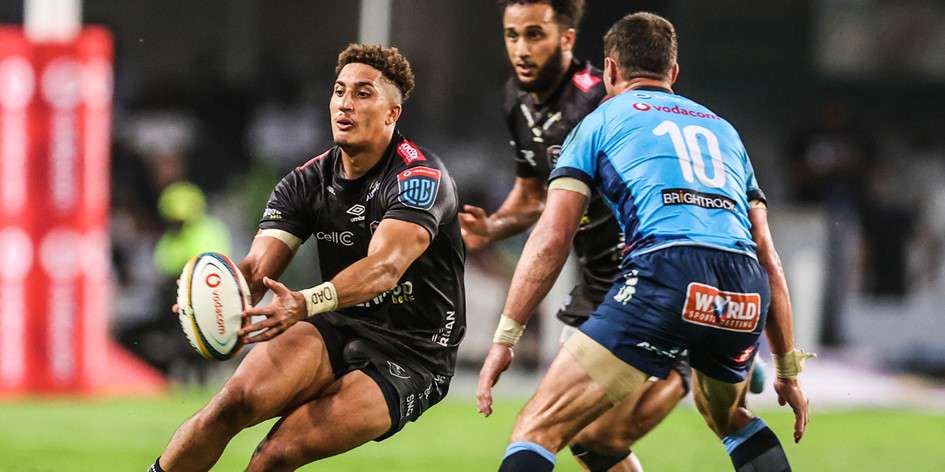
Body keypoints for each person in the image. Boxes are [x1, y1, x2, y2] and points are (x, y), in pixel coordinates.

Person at [478, 12, 812, 472]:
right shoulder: (725, 131)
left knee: (537, 427)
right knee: (729, 417)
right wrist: (788, 369)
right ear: (673, 72)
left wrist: (506, 337)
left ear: (610, 69)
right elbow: (767, 256)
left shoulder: (598, 122)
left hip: (665, 274)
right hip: (743, 289)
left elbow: (551, 238)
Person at [149, 43, 466, 472]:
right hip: (339, 323)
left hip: (414, 351)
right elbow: (257, 270)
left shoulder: (419, 177)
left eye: (363, 93)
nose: (345, 104)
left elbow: (385, 268)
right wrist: (216, 299)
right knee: (231, 404)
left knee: (277, 453)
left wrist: (304, 302)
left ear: (392, 113)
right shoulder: (306, 182)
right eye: (339, 91)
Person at [466, 2, 684, 470]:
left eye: (534, 34)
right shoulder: (516, 99)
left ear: (566, 39)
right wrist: (492, 226)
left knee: (576, 431)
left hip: (642, 282)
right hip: (594, 285)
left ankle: (714, 358)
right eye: (511, 35)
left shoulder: (603, 98)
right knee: (586, 442)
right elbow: (532, 197)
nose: (520, 49)